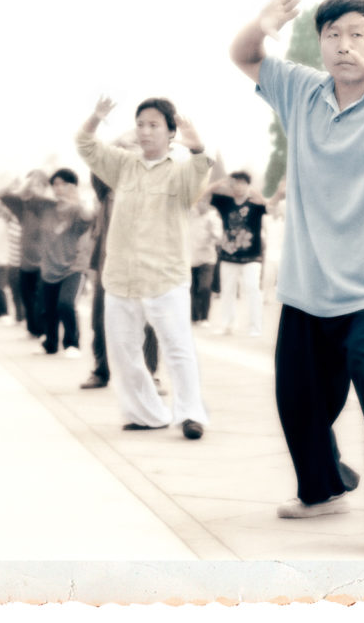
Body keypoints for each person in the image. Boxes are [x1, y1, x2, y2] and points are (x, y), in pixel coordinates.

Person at [231, 0, 364, 558]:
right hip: (306, 289)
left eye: (359, 35)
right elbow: (245, 56)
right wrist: (264, 21)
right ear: (320, 42)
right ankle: (322, 491)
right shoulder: (301, 90)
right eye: (333, 35)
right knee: (298, 404)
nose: (345, 47)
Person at [76, 96, 212, 440]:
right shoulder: (123, 165)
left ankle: (191, 414)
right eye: (141, 124)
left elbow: (197, 179)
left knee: (178, 347)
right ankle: (146, 413)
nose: (146, 131)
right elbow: (85, 145)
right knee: (123, 351)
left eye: (154, 125)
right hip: (121, 275)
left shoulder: (181, 172)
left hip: (165, 276)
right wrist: (96, 117)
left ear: (170, 132)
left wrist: (197, 150)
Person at [80, 171, 161, 392]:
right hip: (108, 265)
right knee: (100, 320)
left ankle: (150, 374)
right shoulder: (107, 194)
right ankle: (100, 370)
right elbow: (98, 169)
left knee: (147, 322)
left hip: (143, 266)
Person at [35, 168, 94, 357]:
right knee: (48, 309)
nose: (58, 188)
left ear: (73, 186)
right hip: (49, 265)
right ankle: (50, 343)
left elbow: (90, 217)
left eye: (63, 184)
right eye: (55, 184)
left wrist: (75, 200)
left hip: (73, 266)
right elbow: (25, 195)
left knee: (65, 304)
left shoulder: (78, 209)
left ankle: (72, 343)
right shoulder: (46, 208)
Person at [207, 171, 268, 336]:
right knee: (227, 290)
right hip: (229, 255)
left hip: (252, 256)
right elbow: (205, 193)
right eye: (235, 182)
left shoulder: (255, 203)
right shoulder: (225, 202)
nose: (238, 186)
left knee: (252, 288)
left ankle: (255, 327)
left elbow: (270, 207)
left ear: (248, 185)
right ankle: (227, 325)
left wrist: (260, 196)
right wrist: (221, 182)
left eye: (242, 182)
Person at [0, 170, 52, 339]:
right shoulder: (24, 209)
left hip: (45, 263)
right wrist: (24, 185)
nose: (33, 188)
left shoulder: (50, 205)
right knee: (27, 297)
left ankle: (45, 331)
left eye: (37, 184)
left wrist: (34, 188)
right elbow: (3, 195)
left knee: (42, 301)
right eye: (32, 184)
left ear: (45, 187)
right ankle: (33, 330)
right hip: (25, 262)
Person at [189, 194, 224, 326]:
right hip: (191, 257)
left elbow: (219, 239)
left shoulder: (214, 218)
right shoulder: (190, 215)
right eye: (198, 201)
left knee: (204, 287)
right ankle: (194, 317)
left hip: (207, 259)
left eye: (203, 201)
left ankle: (204, 317)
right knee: (191, 289)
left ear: (208, 202)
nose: (200, 204)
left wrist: (211, 231)